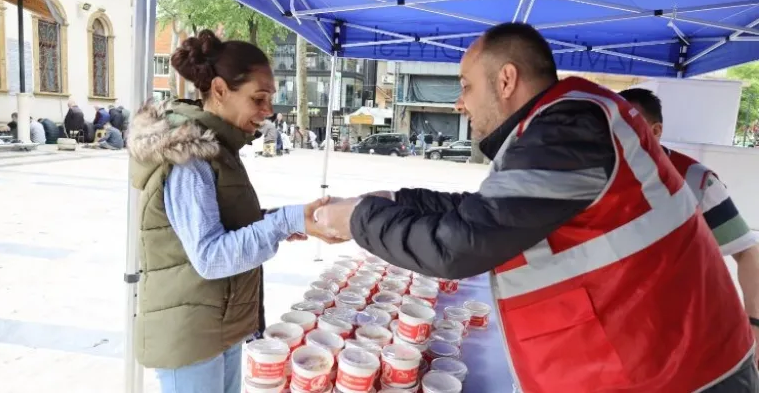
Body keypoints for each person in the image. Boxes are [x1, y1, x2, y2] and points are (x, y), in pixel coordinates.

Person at [313, 22, 758, 392]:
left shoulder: (568, 129)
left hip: (682, 375)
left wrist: (357, 219)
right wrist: (396, 201)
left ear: (506, 80)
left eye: (466, 86)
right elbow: (487, 210)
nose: (459, 102)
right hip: (655, 363)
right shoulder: (558, 126)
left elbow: (459, 247)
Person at [126, 30, 332, 393]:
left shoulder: (220, 148)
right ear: (220, 90)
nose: (268, 111)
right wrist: (285, 221)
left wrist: (281, 223)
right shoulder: (188, 155)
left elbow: (223, 224)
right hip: (189, 336)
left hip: (217, 324)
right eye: (259, 98)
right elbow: (209, 256)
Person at [620, 87, 759, 343]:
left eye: (625, 129)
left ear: (655, 131)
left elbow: (747, 252)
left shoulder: (695, 181)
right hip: (620, 332)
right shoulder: (595, 181)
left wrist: (754, 323)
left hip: (686, 332)